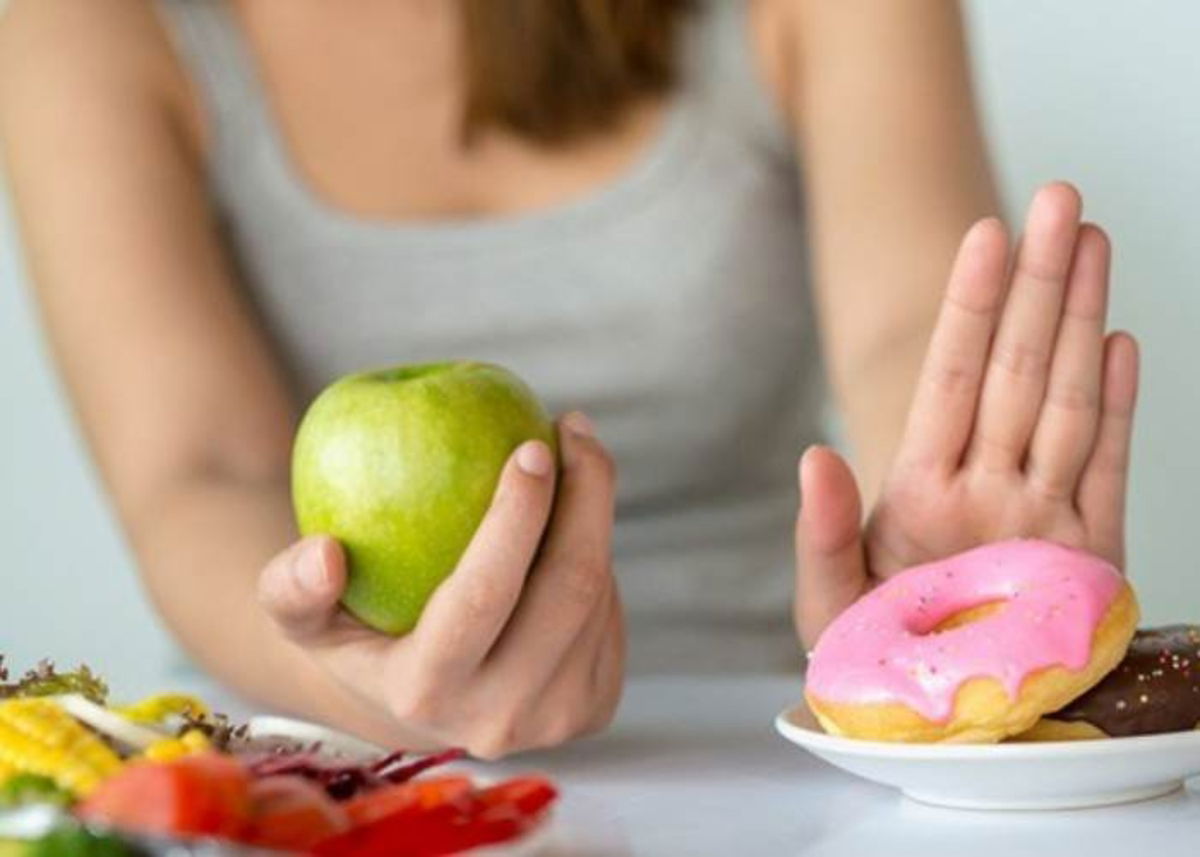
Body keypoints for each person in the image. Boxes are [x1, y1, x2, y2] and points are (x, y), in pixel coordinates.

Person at [0, 0, 1137, 758]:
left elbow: (904, 332)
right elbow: (198, 469)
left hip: (755, 755)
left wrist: (940, 559)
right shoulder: (82, 28)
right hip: (317, 759)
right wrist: (366, 689)